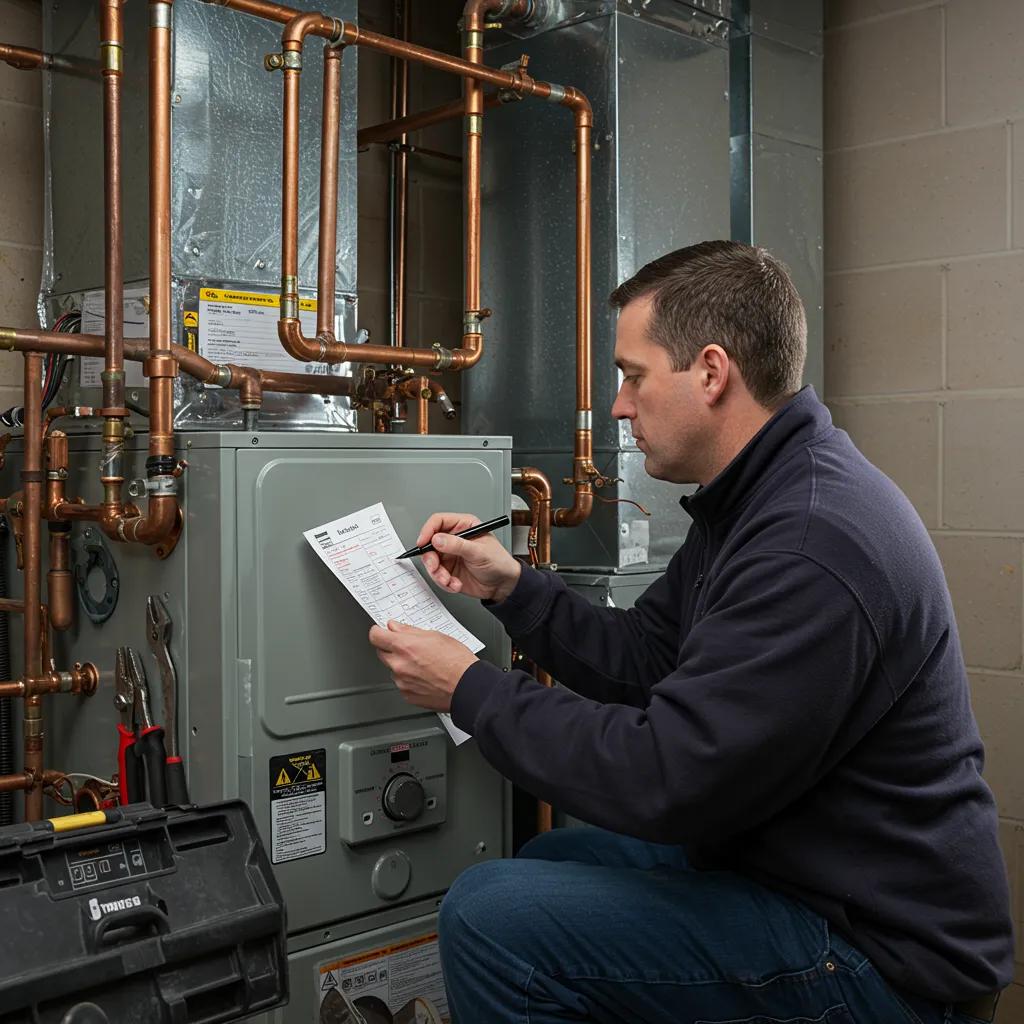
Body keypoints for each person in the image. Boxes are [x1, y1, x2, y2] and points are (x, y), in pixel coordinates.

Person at [368, 240, 1014, 1024]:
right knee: (547, 859)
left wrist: (469, 690)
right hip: (796, 874)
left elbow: (665, 777)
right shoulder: (757, 496)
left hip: (885, 963)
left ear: (711, 373)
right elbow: (649, 656)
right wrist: (511, 588)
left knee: (490, 918)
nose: (617, 406)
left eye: (632, 376)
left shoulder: (810, 541)